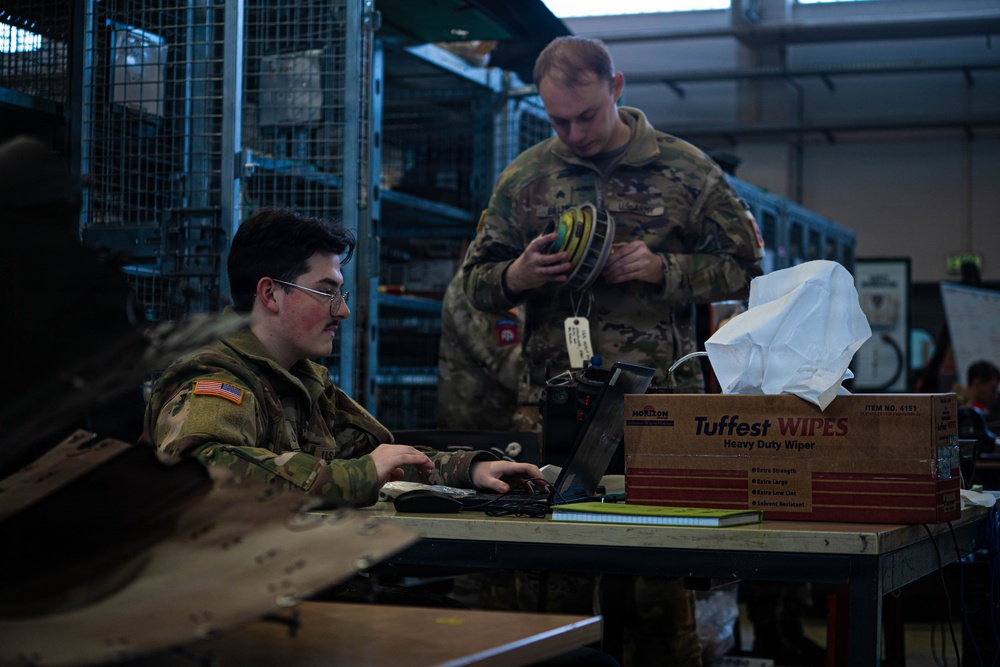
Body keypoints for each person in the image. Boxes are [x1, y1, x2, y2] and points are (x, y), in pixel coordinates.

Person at [460, 36, 765, 667]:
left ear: (616, 88)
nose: (574, 134)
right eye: (558, 121)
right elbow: (474, 285)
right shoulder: (525, 178)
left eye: (586, 116)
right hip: (555, 410)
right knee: (552, 591)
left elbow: (748, 268)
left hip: (660, 411)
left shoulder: (686, 169)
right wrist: (516, 275)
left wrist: (664, 269)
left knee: (658, 589)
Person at [141, 206, 545, 508]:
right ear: (269, 294)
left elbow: (375, 457)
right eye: (326, 292)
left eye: (341, 293)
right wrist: (358, 477)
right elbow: (199, 469)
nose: (344, 311)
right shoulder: (216, 378)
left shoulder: (301, 381)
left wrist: (471, 470)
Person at [436, 267, 524, 431]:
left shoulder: (509, 277)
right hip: (479, 433)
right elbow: (509, 368)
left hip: (506, 427)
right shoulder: (480, 283)